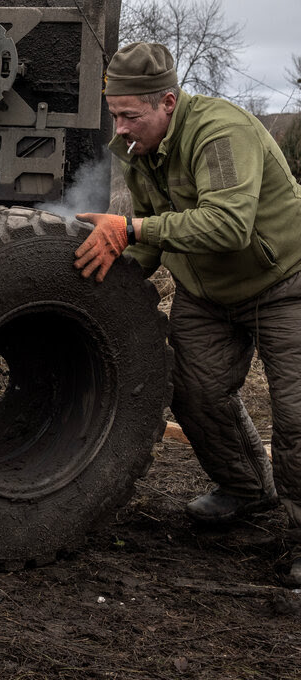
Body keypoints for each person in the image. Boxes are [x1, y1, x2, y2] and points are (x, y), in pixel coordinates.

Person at [73, 41, 301, 583]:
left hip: (285, 281)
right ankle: (246, 490)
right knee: (194, 391)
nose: (121, 129)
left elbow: (227, 225)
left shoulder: (221, 132)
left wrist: (131, 228)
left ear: (168, 102)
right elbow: (151, 236)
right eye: (115, 115)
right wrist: (110, 263)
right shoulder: (136, 149)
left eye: (131, 116)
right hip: (207, 291)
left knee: (296, 417)